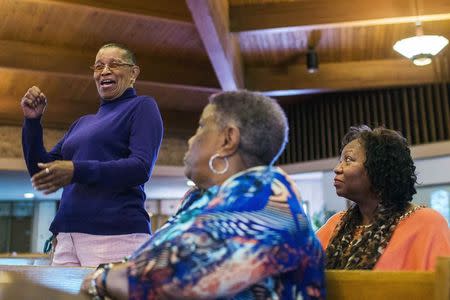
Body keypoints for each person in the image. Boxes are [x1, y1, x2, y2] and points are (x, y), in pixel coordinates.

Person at [80, 90, 325, 299]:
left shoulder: (268, 202)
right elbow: (139, 261)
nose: (190, 139)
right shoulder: (203, 199)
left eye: (201, 127)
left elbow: (165, 276)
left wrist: (99, 280)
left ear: (228, 139)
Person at [21, 43, 163, 267]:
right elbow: (41, 170)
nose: (104, 71)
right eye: (98, 66)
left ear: (133, 73)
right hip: (66, 236)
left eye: (114, 64)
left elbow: (140, 167)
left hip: (115, 233)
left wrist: (77, 170)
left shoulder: (142, 106)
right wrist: (32, 122)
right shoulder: (81, 123)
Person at [317, 125, 450, 270]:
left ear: (378, 168)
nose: (337, 168)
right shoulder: (335, 224)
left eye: (348, 159)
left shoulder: (427, 223)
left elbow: (442, 287)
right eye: (340, 160)